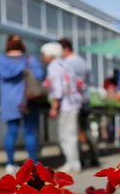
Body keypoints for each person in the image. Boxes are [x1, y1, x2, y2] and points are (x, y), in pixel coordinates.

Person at [0, 34, 45, 174]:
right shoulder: (28, 59)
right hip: (27, 99)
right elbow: (39, 75)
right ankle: (33, 162)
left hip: (8, 101)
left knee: (11, 132)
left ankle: (10, 164)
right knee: (29, 132)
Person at [41, 41, 84, 173]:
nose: (43, 57)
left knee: (65, 135)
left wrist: (54, 106)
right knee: (70, 133)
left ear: (50, 55)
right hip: (74, 102)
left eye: (44, 54)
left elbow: (58, 88)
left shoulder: (54, 66)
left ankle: (72, 163)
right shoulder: (66, 64)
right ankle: (73, 162)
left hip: (66, 104)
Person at [58, 38, 99, 168]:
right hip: (84, 99)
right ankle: (94, 157)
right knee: (86, 129)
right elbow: (90, 80)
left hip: (71, 101)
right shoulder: (83, 62)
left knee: (72, 132)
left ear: (65, 49)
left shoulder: (65, 63)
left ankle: (78, 160)